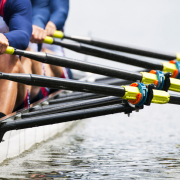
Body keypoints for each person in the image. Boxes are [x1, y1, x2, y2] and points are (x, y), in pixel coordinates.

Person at [21, 0, 71, 103]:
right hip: (27, 59)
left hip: (53, 63)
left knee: (37, 54)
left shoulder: (41, 5)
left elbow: (61, 11)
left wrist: (52, 25)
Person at [0, 0, 32, 118]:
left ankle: (1, 118)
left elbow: (23, 35)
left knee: (6, 55)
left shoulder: (13, 2)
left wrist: (5, 37)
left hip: (15, 82)